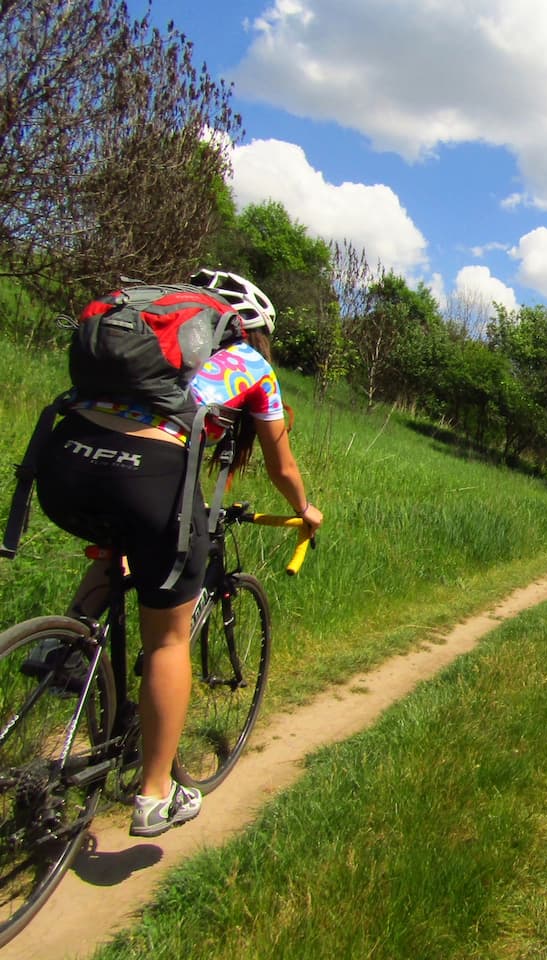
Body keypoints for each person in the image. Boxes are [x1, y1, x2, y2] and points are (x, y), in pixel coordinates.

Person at [32, 269, 323, 838]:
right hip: (147, 476)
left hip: (61, 460)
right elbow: (280, 466)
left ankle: (59, 648)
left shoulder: (151, 333)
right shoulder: (249, 363)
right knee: (167, 637)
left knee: (117, 547)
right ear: (252, 328)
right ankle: (155, 794)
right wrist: (305, 508)